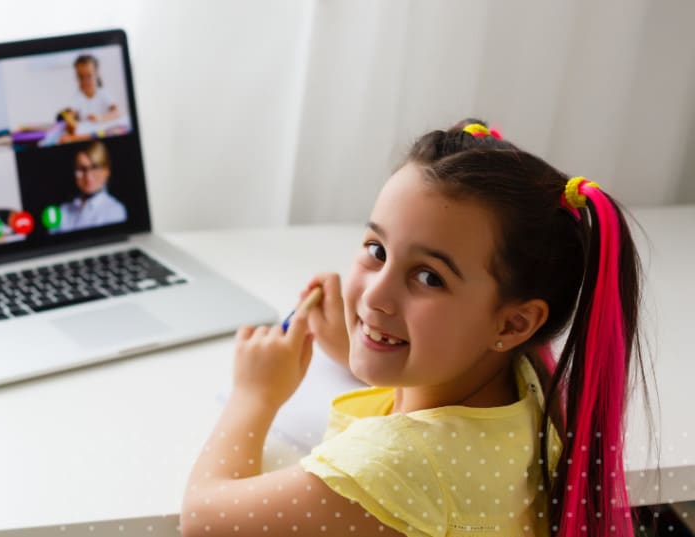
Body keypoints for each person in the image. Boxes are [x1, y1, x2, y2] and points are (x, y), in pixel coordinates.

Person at [181, 119, 651, 537]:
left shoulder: (401, 467)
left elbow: (204, 520)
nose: (373, 296)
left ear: (513, 322)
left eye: (429, 277)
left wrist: (255, 394)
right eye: (377, 250)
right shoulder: (525, 380)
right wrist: (359, 348)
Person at [53, 141, 127, 233]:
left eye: (95, 167)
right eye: (81, 169)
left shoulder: (115, 210)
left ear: (107, 171)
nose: (88, 176)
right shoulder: (62, 210)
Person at [60, 54, 122, 125]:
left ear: (97, 74)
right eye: (81, 77)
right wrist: (68, 117)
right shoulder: (77, 98)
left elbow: (117, 113)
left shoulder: (103, 93)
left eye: (89, 76)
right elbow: (70, 114)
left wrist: (100, 118)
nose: (85, 81)